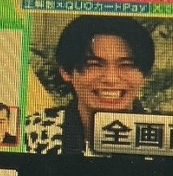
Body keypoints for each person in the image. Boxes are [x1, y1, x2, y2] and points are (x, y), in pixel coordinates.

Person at [24, 16, 154, 154]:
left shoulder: (164, 133)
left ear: (144, 75)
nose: (111, 79)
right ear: (66, 72)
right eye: (94, 65)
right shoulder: (30, 133)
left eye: (126, 65)